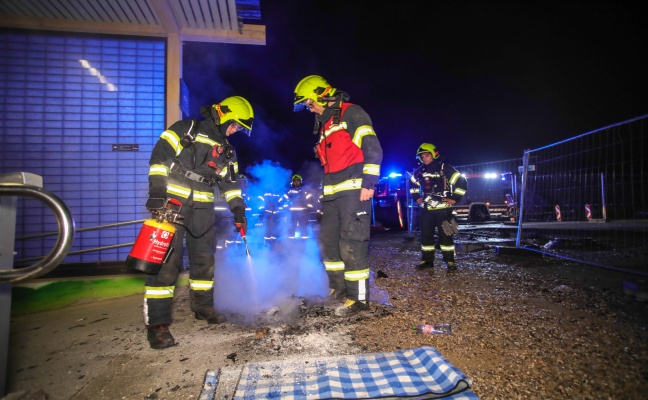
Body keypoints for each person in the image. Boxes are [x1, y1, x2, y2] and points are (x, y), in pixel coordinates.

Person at [144, 96, 253, 349]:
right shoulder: (186, 129)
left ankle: (203, 307)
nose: (235, 130)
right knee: (165, 264)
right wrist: (157, 193)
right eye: (235, 125)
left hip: (203, 209)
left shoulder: (227, 150)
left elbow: (231, 185)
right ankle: (157, 325)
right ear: (223, 115)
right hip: (172, 204)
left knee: (204, 261)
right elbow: (159, 159)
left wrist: (238, 211)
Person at [293, 75, 383, 316]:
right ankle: (339, 289)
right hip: (332, 195)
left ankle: (359, 300)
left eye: (310, 104)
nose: (310, 109)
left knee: (352, 243)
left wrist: (369, 183)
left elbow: (373, 148)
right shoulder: (325, 125)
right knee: (329, 242)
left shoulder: (350, 113)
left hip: (354, 190)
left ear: (323, 95)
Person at [409, 143, 467, 272]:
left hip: (443, 211)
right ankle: (427, 261)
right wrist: (416, 197)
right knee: (426, 237)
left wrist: (455, 198)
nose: (424, 158)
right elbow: (412, 184)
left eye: (427, 155)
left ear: (434, 154)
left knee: (446, 237)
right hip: (426, 211)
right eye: (422, 156)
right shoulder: (420, 172)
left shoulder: (445, 168)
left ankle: (450, 262)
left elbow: (461, 181)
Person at [279, 174, 314, 240]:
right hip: (292, 214)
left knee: (303, 228)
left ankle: (304, 243)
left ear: (301, 181)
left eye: (298, 181)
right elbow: (283, 201)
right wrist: (286, 209)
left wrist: (308, 209)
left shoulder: (305, 191)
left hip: (303, 213)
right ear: (292, 182)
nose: (296, 182)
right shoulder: (289, 191)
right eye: (294, 181)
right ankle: (291, 243)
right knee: (291, 228)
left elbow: (310, 201)